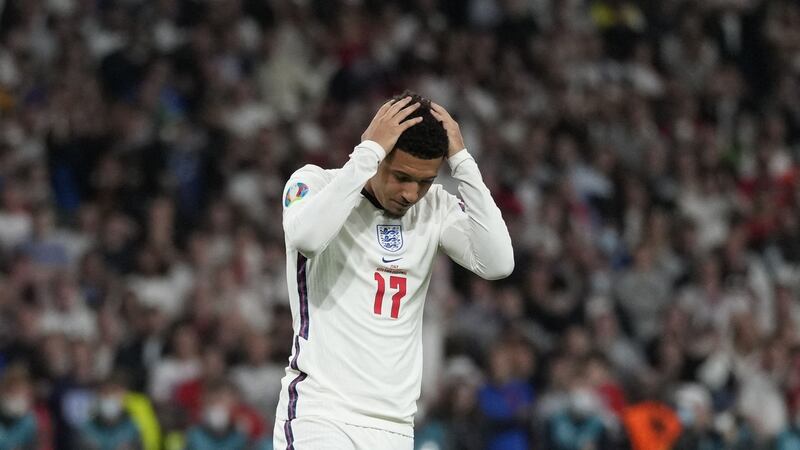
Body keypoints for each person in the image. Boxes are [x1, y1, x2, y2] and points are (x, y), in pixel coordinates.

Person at [273, 91, 514, 449]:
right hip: (321, 414)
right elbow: (307, 238)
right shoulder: (314, 184)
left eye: (424, 181)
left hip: (395, 427)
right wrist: (366, 153)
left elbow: (498, 263)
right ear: (377, 155)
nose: (411, 193)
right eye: (401, 176)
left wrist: (462, 161)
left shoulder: (435, 208)